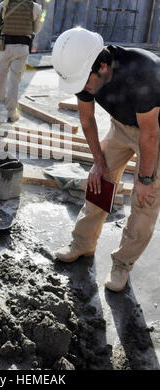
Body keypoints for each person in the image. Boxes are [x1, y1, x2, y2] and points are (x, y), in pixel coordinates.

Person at [52, 27, 160, 292]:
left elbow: (149, 135)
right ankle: (83, 244)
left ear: (102, 66)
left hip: (155, 130)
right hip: (122, 126)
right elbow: (87, 120)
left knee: (145, 200)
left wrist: (145, 179)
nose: (83, 91)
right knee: (99, 181)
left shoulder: (143, 71)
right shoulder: (84, 72)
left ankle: (123, 264)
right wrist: (98, 162)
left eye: (84, 84)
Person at [0, 0, 43, 122]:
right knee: (14, 82)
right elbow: (36, 29)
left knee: (0, 79)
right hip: (22, 48)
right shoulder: (35, 7)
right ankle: (11, 113)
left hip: (4, 47)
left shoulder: (3, 5)